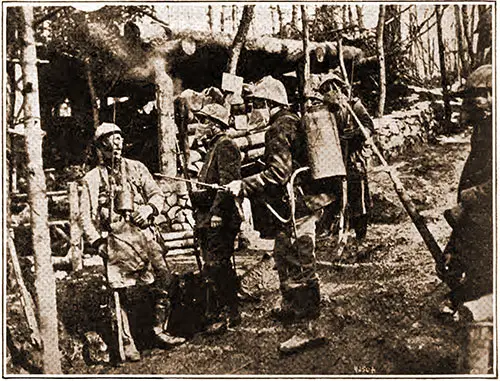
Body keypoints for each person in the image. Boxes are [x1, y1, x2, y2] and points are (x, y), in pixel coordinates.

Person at [80, 122, 185, 362]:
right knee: (119, 291)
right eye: (108, 147)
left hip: (144, 235)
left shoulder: (137, 168)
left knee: (164, 279)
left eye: (118, 144)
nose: (114, 151)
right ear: (100, 149)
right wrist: (97, 243)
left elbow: (157, 194)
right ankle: (126, 341)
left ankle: (159, 330)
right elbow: (84, 217)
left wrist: (148, 209)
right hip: (115, 240)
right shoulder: (92, 178)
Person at [226, 76, 325, 321]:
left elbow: (279, 173)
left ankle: (308, 322)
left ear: (270, 103)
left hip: (296, 205)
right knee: (285, 253)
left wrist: (243, 185)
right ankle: (292, 307)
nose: (253, 110)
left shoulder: (278, 128)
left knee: (297, 258)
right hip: (305, 200)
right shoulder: (292, 121)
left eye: (257, 104)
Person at [437, 64, 493, 313]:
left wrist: (473, 195)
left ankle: (473, 295)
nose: (472, 105)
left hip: (490, 206)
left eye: (476, 98)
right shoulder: (482, 127)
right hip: (479, 206)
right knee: (467, 241)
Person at [191, 104, 243, 332]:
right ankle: (219, 311)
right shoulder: (213, 147)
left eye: (203, 121)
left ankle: (229, 314)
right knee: (213, 266)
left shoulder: (226, 146)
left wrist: (217, 214)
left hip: (220, 218)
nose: (199, 126)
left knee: (218, 266)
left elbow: (228, 185)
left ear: (214, 125)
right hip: (209, 216)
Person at [317, 72, 375, 241]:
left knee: (358, 197)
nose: (331, 92)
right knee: (336, 196)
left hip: (353, 158)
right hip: (333, 159)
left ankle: (360, 235)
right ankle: (335, 229)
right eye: (326, 90)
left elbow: (369, 126)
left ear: (340, 88)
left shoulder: (354, 106)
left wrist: (356, 134)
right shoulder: (325, 111)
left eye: (333, 88)